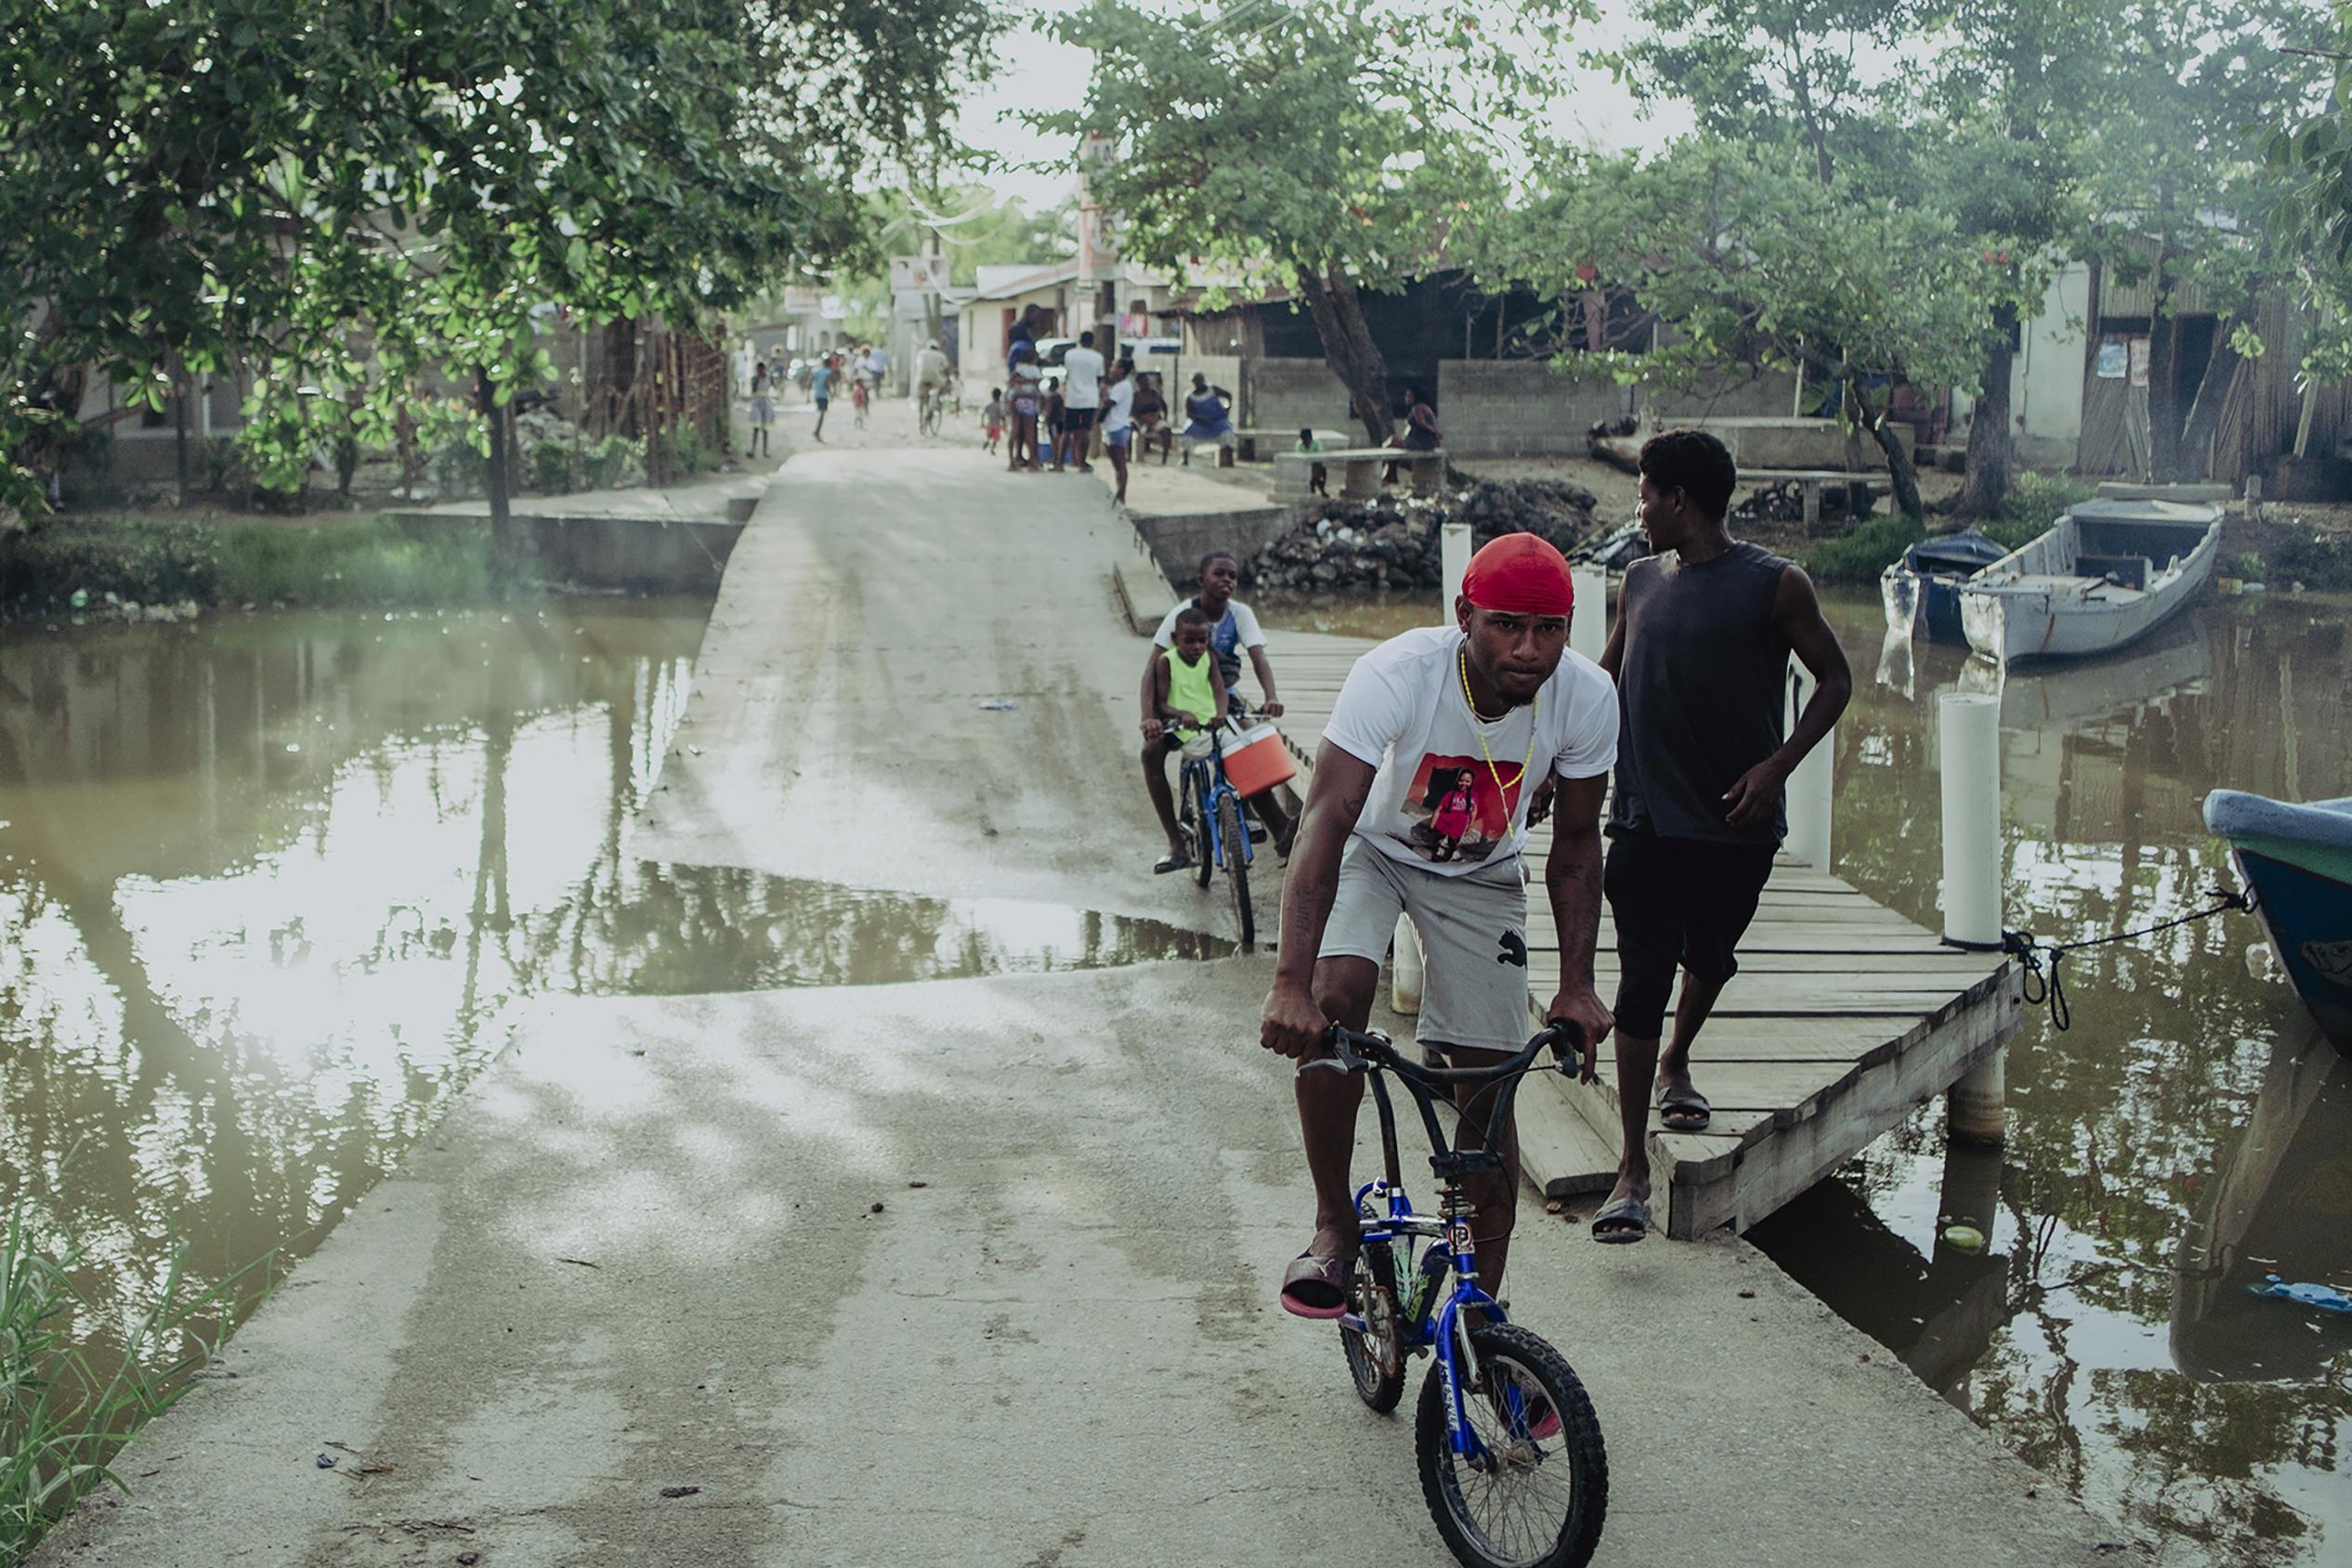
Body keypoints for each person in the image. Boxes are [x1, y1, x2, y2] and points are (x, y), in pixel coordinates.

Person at [1259, 532, 1617, 1316]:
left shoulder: (1588, 697)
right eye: (1505, 626)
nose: (1529, 650)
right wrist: (1289, 983)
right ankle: (1333, 1225)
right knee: (1336, 996)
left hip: (1483, 873)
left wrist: (1579, 985)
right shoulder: (1396, 673)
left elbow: (1577, 846)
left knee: (1491, 1084)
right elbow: (1324, 818)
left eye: (1549, 629)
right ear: (1464, 616)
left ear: (1570, 625)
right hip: (1375, 850)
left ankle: (1483, 1318)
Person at [1588, 427, 1852, 1245]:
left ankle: (1678, 1058)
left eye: (1644, 494)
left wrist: (1777, 766)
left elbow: (1835, 680)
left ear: (1679, 500)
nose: (1637, 509)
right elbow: (1602, 684)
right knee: (1638, 979)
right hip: (1640, 819)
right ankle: (1632, 1168)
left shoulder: (1776, 585)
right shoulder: (1636, 580)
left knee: (1709, 958)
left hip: (1735, 825)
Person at [1140, 549, 1292, 870]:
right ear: (1201, 581)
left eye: (1232, 576)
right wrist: (1149, 717)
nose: (1227, 580)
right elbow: (1151, 669)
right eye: (1219, 573)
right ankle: (1176, 844)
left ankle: (1280, 830)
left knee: (1251, 744)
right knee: (1151, 752)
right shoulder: (1182, 615)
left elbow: (1258, 657)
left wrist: (1271, 696)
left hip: (1220, 697)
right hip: (1178, 704)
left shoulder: (1239, 614)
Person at [1148, 606, 1232, 765]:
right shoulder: (1166, 661)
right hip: (1184, 729)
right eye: (1189, 641)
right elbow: (1160, 704)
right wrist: (1182, 714)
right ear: (1174, 639)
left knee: (1241, 747)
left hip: (1212, 725)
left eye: (1202, 640)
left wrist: (1221, 713)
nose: (1197, 646)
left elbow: (1220, 691)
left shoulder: (1209, 657)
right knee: (1217, 749)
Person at [1059, 330, 1104, 473]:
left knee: (1067, 431)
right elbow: (1099, 378)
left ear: (1080, 340)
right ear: (1092, 342)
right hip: (1090, 398)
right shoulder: (1098, 357)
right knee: (1085, 430)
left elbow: (1067, 373)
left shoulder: (1070, 355)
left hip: (1073, 398)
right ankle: (1082, 462)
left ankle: (1059, 462)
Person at [1100, 357, 1136, 503]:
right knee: (1116, 464)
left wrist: (1103, 393)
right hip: (1112, 427)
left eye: (1114, 367)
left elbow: (1109, 403)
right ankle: (1119, 493)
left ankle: (1121, 495)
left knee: (1120, 463)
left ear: (1121, 370)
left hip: (1117, 427)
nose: (1111, 369)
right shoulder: (1118, 386)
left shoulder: (1123, 387)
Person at [1181, 373, 1236, 466]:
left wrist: (1227, 409)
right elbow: (1189, 414)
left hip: (1217, 422)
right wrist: (1199, 418)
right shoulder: (1190, 396)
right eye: (1195, 382)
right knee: (1188, 430)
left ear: (1203, 381)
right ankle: (1185, 459)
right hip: (1199, 424)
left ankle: (1230, 461)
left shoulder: (1212, 390)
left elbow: (1228, 395)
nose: (1197, 384)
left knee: (1227, 431)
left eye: (1199, 381)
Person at [1006, 338, 1042, 474]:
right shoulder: (1034, 370)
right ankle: (1033, 462)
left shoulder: (1017, 368)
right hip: (1029, 401)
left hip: (1016, 399)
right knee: (1029, 432)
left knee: (1014, 431)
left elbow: (1012, 380)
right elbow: (1037, 383)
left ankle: (1011, 462)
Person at [1132, 372, 1173, 464]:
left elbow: (1164, 407)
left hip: (1155, 420)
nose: (1146, 383)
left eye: (1147, 381)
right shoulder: (1136, 396)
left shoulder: (1154, 394)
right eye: (1144, 381)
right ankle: (1130, 456)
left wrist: (1163, 418)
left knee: (1166, 430)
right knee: (1131, 427)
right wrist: (1142, 419)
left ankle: (1164, 459)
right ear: (1138, 383)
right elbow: (1132, 412)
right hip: (1141, 422)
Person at [913, 339, 950, 416]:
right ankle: (937, 400)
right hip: (935, 378)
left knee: (921, 397)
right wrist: (948, 377)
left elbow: (918, 365)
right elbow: (946, 368)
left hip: (921, 377)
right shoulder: (940, 355)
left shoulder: (921, 353)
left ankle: (920, 418)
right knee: (942, 386)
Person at [747, 362, 774, 459]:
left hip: (766, 402)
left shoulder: (768, 377)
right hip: (757, 402)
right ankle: (753, 449)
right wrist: (757, 380)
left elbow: (772, 385)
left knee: (766, 428)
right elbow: (753, 390)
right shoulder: (755, 378)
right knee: (756, 427)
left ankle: (765, 451)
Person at [808, 354, 835, 442]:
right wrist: (831, 394)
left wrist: (808, 395)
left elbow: (810, 382)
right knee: (822, 414)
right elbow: (826, 384)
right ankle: (817, 431)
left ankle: (817, 431)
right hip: (823, 395)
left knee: (821, 413)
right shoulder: (828, 372)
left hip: (817, 394)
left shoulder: (816, 371)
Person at [1041, 377, 1065, 471]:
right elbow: (1062, 409)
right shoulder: (1059, 396)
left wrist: (1045, 419)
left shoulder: (1049, 396)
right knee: (1059, 440)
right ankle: (1058, 460)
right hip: (1060, 421)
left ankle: (1056, 460)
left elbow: (1049, 409)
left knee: (1055, 441)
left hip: (1053, 421)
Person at [1298, 426, 1328, 496]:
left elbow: (1319, 456)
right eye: (1303, 440)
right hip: (1303, 466)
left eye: (1307, 439)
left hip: (1315, 464)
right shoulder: (1299, 445)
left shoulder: (1317, 443)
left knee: (1321, 470)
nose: (1305, 442)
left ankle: (1321, 490)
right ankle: (1311, 488)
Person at [982, 387, 1005, 456]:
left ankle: (987, 442)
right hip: (997, 424)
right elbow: (1002, 416)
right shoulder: (1000, 406)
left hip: (990, 424)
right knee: (996, 438)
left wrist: (982, 421)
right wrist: (1004, 424)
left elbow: (983, 413)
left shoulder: (989, 405)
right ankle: (992, 449)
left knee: (989, 435)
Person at [851, 364, 870, 428]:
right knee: (859, 415)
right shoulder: (857, 389)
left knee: (860, 415)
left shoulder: (860, 389)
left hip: (859, 404)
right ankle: (857, 425)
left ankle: (859, 425)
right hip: (858, 404)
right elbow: (856, 397)